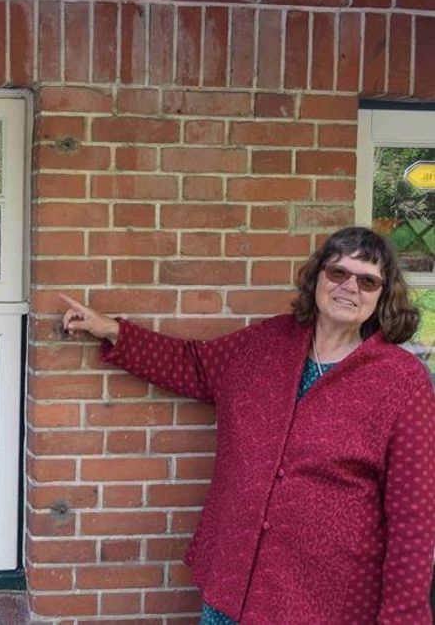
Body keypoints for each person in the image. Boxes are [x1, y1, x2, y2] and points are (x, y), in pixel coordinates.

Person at [59, 226, 435, 624]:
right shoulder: (267, 343)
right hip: (237, 577)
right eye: (338, 273)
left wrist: (403, 616)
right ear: (317, 278)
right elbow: (195, 365)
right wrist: (113, 331)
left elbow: (413, 515)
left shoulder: (401, 380)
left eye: (367, 280)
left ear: (383, 295)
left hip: (329, 597)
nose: (349, 288)